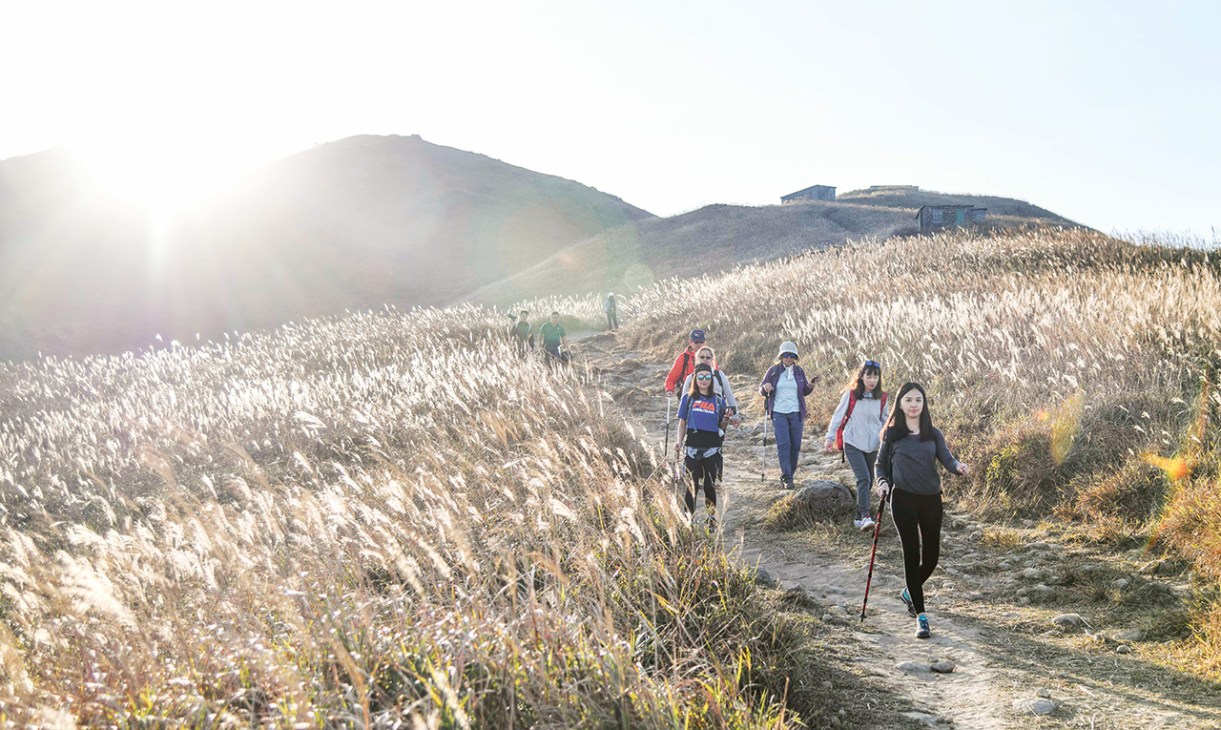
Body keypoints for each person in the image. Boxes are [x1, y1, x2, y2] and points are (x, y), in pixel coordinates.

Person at [874, 382, 969, 640]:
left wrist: (958, 467)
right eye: (908, 400)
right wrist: (882, 483)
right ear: (900, 404)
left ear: (924, 403)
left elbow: (947, 459)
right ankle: (921, 617)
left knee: (931, 558)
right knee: (911, 554)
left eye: (918, 399)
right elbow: (880, 465)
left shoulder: (933, 434)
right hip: (902, 500)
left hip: (931, 500)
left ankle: (908, 591)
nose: (914, 404)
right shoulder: (892, 435)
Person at [824, 359, 889, 531]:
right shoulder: (851, 395)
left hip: (874, 446)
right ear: (861, 377)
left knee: (868, 481)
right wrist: (830, 437)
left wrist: (890, 439)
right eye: (869, 376)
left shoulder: (882, 398)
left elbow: (885, 421)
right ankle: (866, 515)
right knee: (863, 478)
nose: (872, 380)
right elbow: (838, 416)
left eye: (875, 377)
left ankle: (859, 517)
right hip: (853, 443)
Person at [674, 363, 729, 529]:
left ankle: (711, 521)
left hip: (712, 448)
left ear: (711, 379)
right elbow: (682, 423)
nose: (704, 380)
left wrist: (726, 420)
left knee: (709, 486)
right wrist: (678, 441)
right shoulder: (688, 398)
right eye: (700, 377)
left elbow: (722, 426)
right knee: (691, 487)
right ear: (695, 379)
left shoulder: (718, 400)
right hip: (692, 447)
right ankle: (687, 521)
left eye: (707, 377)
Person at [758, 341, 816, 489]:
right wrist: (765, 388)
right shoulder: (773, 371)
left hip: (796, 412)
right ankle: (787, 477)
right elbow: (761, 390)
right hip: (779, 412)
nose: (788, 358)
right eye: (785, 355)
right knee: (784, 444)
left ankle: (790, 473)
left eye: (791, 355)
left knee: (795, 445)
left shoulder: (799, 371)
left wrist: (811, 385)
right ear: (781, 356)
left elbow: (804, 392)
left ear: (795, 357)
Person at [681, 346, 738, 418]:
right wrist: (683, 417)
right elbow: (684, 398)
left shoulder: (719, 375)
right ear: (697, 358)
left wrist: (735, 415)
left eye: (708, 357)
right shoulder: (691, 377)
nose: (705, 359)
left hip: (717, 415)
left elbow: (729, 395)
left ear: (712, 359)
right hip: (695, 416)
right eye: (702, 357)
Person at [664, 329, 707, 398]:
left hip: (706, 393)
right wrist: (669, 390)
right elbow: (672, 377)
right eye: (696, 342)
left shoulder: (709, 357)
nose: (699, 345)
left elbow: (717, 376)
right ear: (690, 342)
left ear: (704, 342)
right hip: (687, 393)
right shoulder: (683, 358)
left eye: (701, 342)